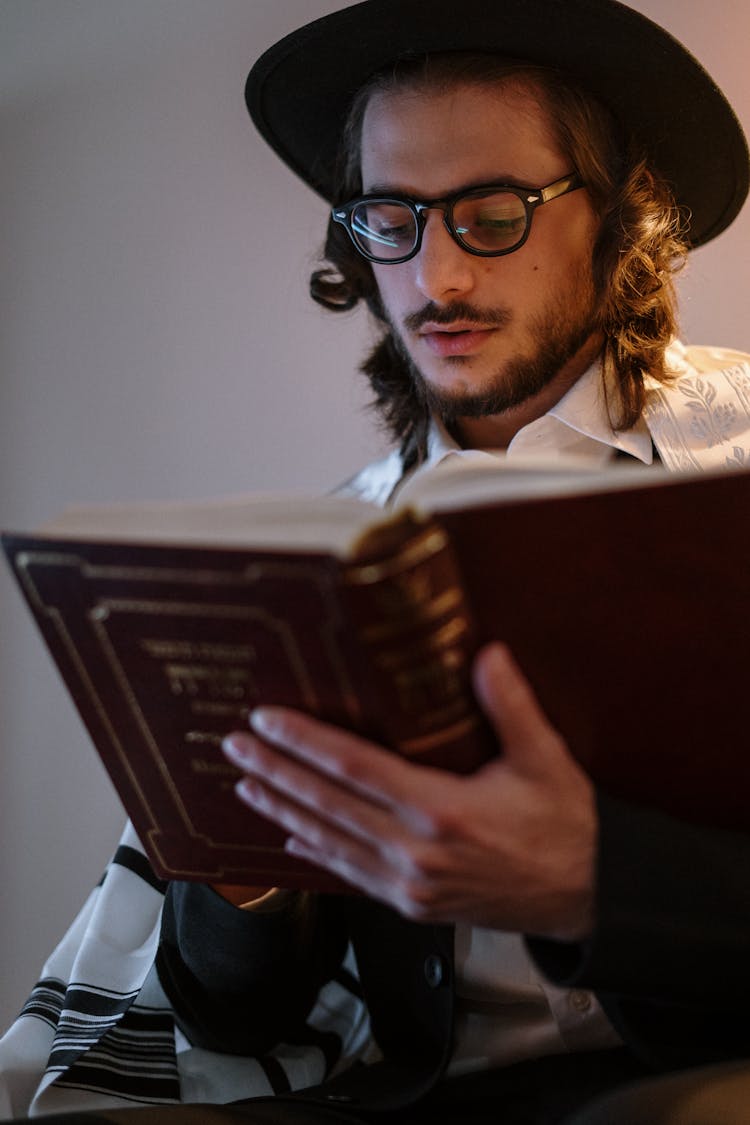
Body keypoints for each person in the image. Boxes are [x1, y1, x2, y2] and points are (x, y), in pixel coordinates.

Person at [2, 1, 750, 1122]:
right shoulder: (332, 568)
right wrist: (238, 867)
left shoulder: (737, 472)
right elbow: (236, 1021)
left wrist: (594, 884)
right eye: (389, 216)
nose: (434, 277)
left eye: (491, 212)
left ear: (617, 216)